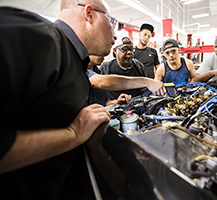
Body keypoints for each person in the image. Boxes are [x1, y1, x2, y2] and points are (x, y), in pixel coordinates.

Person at [0, 1, 159, 199]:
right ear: (89, 13)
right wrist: (72, 134)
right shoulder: (38, 36)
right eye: (112, 21)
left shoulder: (74, 62)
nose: (115, 34)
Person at [99, 36, 163, 100]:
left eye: (131, 49)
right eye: (125, 49)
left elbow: (144, 90)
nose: (129, 52)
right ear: (115, 50)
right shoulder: (106, 68)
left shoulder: (139, 66)